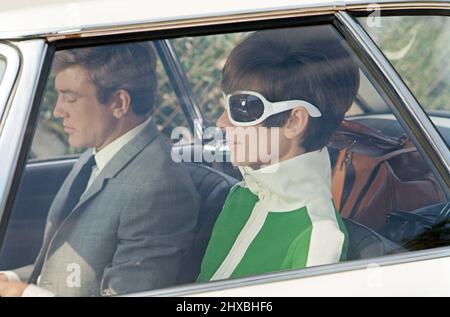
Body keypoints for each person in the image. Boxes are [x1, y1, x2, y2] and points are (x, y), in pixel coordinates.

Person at [0, 42, 200, 296]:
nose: (58, 110)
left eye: (70, 98)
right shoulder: (95, 155)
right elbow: (69, 272)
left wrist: (22, 293)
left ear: (119, 103)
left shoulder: (159, 189)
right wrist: (10, 278)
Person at [197, 26, 359, 282]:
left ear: (294, 121)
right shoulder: (241, 194)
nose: (221, 122)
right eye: (225, 103)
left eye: (242, 107)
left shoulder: (320, 237)